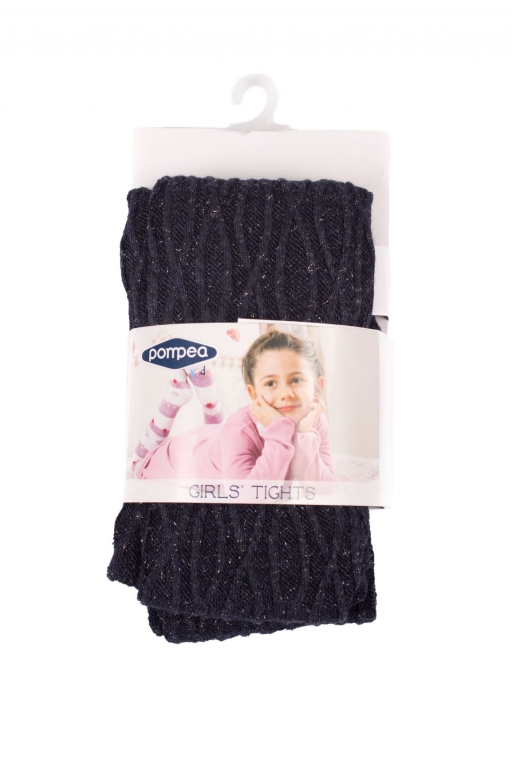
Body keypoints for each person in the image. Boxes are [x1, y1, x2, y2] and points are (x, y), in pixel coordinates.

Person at [132, 330, 338, 484]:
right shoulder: (239, 431)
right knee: (137, 464)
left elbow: (326, 488)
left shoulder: (314, 419)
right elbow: (249, 497)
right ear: (253, 394)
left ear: (318, 387)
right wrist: (280, 432)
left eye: (296, 380)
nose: (286, 394)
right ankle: (176, 395)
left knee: (221, 435)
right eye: (270, 383)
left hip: (215, 439)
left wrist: (301, 434)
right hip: (173, 456)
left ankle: (210, 402)